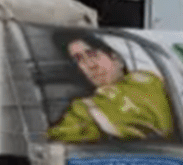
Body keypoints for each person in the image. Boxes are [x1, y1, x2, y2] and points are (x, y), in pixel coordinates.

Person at [46, 31, 175, 144]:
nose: (90, 65)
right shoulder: (86, 107)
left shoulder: (148, 83)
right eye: (79, 59)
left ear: (116, 58)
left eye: (93, 54)